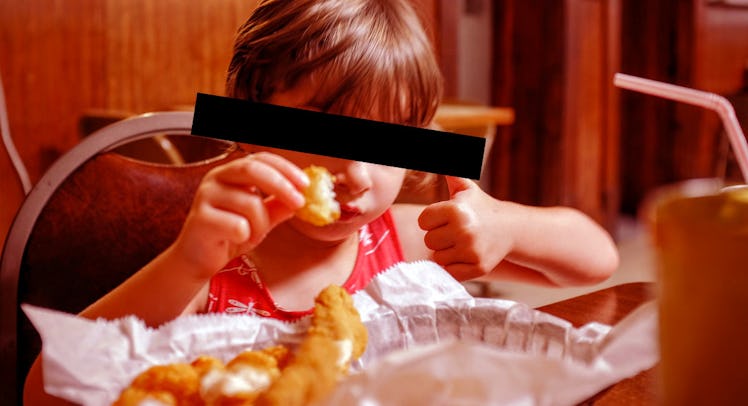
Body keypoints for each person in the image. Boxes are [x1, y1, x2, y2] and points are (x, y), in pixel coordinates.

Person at [24, 0, 619, 403]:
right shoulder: (213, 268)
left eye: (385, 143)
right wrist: (186, 264)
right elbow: (43, 392)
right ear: (246, 122)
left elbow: (598, 261)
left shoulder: (405, 242)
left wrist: (506, 226)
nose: (356, 174)